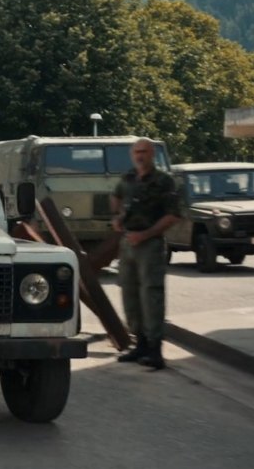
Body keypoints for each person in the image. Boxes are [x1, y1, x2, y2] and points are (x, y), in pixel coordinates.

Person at [111, 138, 181, 370]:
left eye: (144, 152)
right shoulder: (128, 178)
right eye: (137, 152)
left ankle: (154, 349)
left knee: (151, 295)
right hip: (128, 242)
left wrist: (147, 234)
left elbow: (172, 216)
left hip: (150, 244)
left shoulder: (164, 181)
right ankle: (139, 343)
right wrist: (119, 217)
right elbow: (116, 196)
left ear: (152, 154)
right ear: (132, 155)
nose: (140, 156)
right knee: (129, 294)